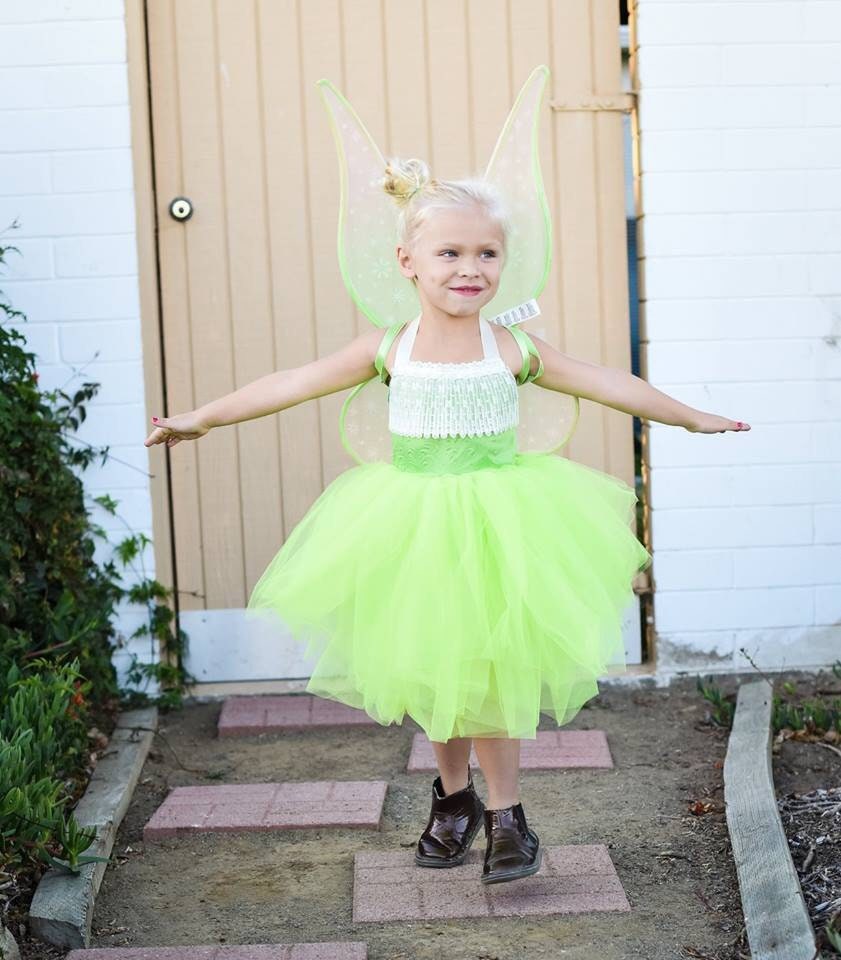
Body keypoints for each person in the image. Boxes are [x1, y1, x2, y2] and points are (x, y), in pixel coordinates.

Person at [144, 69, 750, 887]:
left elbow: (607, 380)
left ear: (505, 262)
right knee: (435, 672)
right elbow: (287, 383)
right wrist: (202, 416)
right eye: (450, 253)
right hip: (411, 527)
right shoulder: (388, 347)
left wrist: (688, 415)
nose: (470, 268)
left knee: (492, 672)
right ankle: (454, 797)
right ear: (407, 262)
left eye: (487, 253)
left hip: (501, 524)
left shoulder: (510, 348)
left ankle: (507, 818)